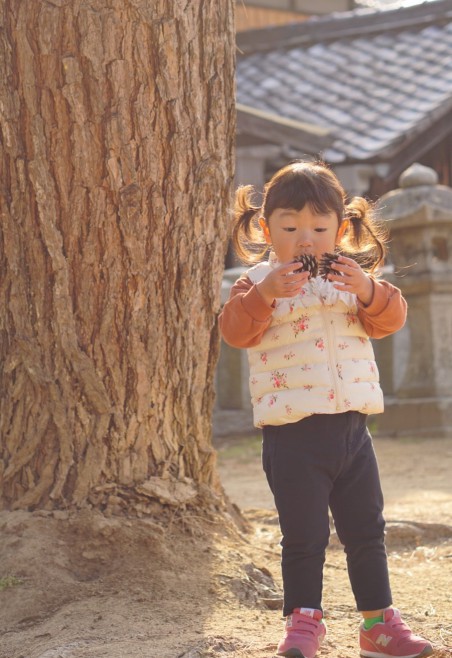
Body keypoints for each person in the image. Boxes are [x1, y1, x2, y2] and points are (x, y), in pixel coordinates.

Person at [219, 161, 433, 658]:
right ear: (266, 228)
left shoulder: (353, 281)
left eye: (319, 228)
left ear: (339, 230)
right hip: (292, 436)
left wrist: (366, 289)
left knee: (367, 531)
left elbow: (391, 318)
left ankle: (378, 625)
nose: (305, 239)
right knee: (303, 535)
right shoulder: (255, 283)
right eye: (290, 228)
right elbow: (235, 332)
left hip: (354, 432)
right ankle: (303, 622)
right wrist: (269, 294)